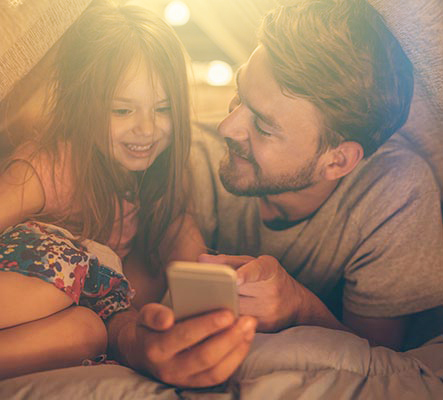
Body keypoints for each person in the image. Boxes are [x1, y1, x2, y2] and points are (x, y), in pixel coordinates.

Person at [107, 0, 443, 389]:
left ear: (337, 161)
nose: (227, 126)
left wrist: (300, 306)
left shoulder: (395, 196)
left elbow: (385, 359)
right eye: (238, 96)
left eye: (263, 127)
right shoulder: (188, 159)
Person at [0, 0, 216, 380]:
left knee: (88, 332)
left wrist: (211, 311)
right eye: (122, 111)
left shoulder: (163, 183)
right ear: (80, 105)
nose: (146, 129)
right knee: (68, 269)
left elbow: (193, 263)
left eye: (163, 109)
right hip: (23, 282)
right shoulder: (52, 163)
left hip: (70, 311)